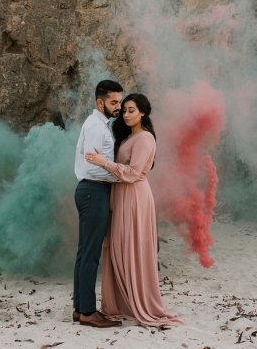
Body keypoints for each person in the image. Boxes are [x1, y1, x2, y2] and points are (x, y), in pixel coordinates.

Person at [85, 94, 185, 327]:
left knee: (132, 248)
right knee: (119, 248)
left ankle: (138, 302)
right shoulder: (128, 137)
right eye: (125, 111)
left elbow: (133, 172)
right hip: (121, 196)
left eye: (132, 110)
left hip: (135, 197)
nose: (127, 114)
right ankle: (121, 303)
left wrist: (104, 163)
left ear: (143, 113)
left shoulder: (145, 138)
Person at [72, 80, 125, 328]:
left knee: (84, 252)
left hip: (91, 190)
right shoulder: (97, 127)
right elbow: (95, 167)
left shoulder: (99, 124)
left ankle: (79, 309)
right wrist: (120, 174)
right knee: (90, 254)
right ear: (100, 102)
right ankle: (89, 313)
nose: (119, 107)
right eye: (114, 102)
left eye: (120, 102)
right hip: (94, 190)